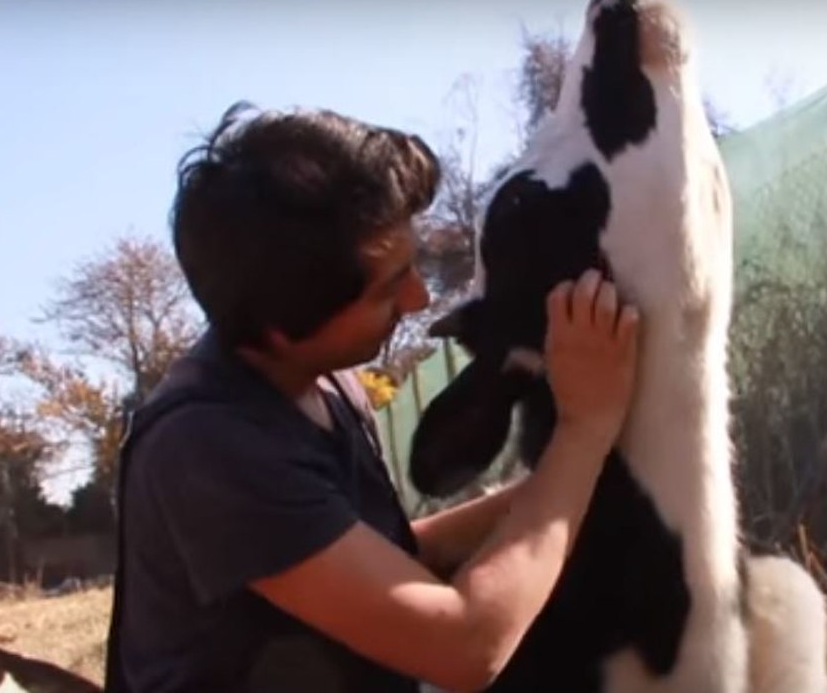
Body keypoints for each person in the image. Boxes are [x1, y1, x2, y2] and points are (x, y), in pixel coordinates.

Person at [102, 102, 642, 693]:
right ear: (284, 327)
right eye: (387, 290)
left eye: (412, 266)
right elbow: (466, 646)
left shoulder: (323, 384)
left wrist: (581, 484)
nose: (418, 300)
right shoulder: (209, 448)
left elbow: (384, 562)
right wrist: (584, 429)